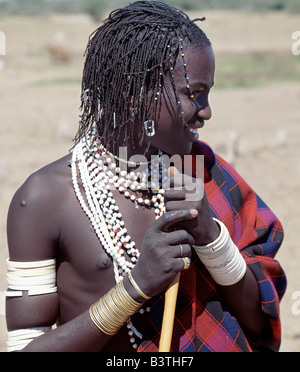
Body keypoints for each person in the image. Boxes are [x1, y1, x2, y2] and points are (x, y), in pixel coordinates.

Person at [5, 1, 286, 352]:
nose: (207, 112)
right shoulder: (45, 197)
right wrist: (135, 287)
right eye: (193, 94)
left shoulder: (205, 172)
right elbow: (25, 348)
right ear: (134, 93)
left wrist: (212, 238)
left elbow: (260, 323)